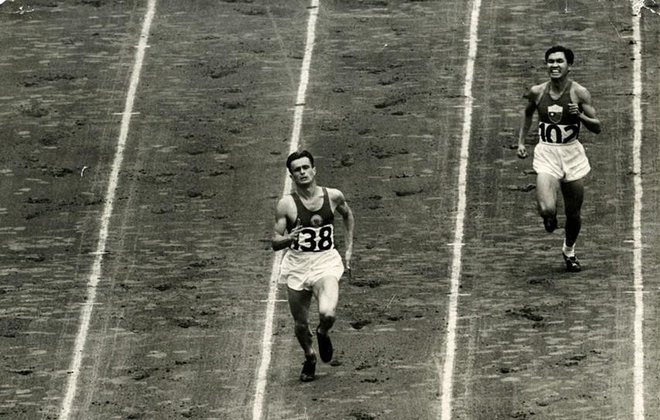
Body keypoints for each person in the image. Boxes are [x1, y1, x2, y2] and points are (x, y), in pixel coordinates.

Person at [272, 150, 354, 382]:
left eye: (306, 167)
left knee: (328, 313)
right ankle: (309, 356)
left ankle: (323, 331)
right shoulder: (286, 205)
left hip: (325, 261)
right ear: (291, 176)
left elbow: (348, 215)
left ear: (314, 169)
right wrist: (288, 239)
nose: (302, 172)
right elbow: (275, 241)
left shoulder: (333, 196)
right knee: (300, 323)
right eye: (297, 170)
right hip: (297, 264)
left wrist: (348, 248)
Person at [517, 45, 601, 272]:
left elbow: (597, 127)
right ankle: (549, 217)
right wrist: (522, 141)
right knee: (547, 209)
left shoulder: (579, 93)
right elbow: (527, 113)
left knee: (573, 214)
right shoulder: (537, 91)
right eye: (550, 61)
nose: (554, 65)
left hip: (572, 155)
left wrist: (580, 115)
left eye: (559, 61)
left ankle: (569, 250)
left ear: (569, 66)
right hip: (547, 153)